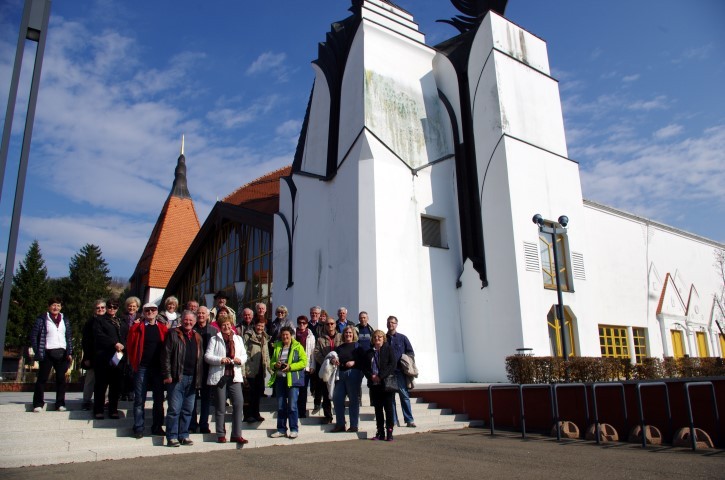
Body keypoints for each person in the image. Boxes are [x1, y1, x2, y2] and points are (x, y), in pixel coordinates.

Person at [205, 313, 248, 444]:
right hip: (221, 377)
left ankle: (236, 434)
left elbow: (244, 355)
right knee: (220, 406)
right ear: (219, 326)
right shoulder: (214, 339)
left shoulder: (238, 339)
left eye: (228, 325)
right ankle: (220, 434)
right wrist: (220, 360)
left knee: (238, 403)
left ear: (232, 325)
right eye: (223, 325)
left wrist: (239, 360)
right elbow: (207, 356)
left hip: (234, 375)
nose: (226, 327)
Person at [127, 303, 168, 439]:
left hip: (157, 369)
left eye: (153, 310)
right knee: (139, 398)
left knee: (158, 399)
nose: (150, 312)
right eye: (147, 310)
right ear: (143, 312)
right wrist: (134, 364)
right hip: (142, 367)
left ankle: (157, 426)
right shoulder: (136, 328)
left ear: (157, 312)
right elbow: (131, 347)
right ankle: (138, 427)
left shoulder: (162, 329)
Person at [162, 310, 203, 447]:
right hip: (177, 377)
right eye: (186, 320)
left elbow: (200, 359)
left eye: (191, 320)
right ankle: (172, 436)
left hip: (192, 378)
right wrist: (167, 375)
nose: (188, 322)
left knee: (188, 409)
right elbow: (166, 356)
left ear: (195, 322)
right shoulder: (173, 334)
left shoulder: (197, 336)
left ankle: (183, 435)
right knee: (174, 409)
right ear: (182, 320)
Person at [29, 297, 73, 412]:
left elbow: (68, 337)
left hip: (62, 353)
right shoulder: (42, 319)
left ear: (61, 307)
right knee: (42, 379)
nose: (56, 307)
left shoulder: (65, 319)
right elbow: (34, 336)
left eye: (58, 305)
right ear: (49, 306)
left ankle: (60, 404)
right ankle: (38, 404)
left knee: (61, 379)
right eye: (53, 305)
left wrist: (69, 352)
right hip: (47, 352)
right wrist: (38, 350)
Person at [268, 326, 307, 439]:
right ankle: (281, 429)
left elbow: (303, 362)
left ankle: (294, 429)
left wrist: (290, 367)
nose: (285, 337)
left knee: (292, 406)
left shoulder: (298, 347)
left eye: (287, 335)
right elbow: (272, 362)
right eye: (283, 335)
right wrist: (275, 365)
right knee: (280, 406)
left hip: (292, 379)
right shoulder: (277, 346)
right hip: (280, 379)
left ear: (291, 336)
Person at [93, 298, 128, 419]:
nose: (112, 309)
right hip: (104, 356)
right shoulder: (100, 320)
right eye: (110, 307)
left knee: (115, 385)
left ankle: (113, 409)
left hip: (118, 357)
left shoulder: (121, 321)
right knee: (101, 384)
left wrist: (124, 345)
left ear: (118, 308)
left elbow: (126, 336)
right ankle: (98, 409)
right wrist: (114, 343)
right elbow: (99, 335)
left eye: (115, 307)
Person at [362, 330, 396, 441]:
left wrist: (380, 376)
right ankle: (380, 431)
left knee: (388, 408)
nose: (377, 339)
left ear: (384, 338)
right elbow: (365, 368)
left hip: (385, 384)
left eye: (380, 337)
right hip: (374, 384)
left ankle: (389, 431)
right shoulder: (369, 352)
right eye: (375, 337)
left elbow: (392, 364)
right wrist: (371, 376)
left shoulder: (388, 349)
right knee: (378, 409)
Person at [330, 326, 363, 432]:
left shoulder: (358, 346)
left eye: (350, 333)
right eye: (346, 333)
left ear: (353, 334)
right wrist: (334, 360)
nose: (348, 334)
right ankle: (340, 424)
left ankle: (354, 425)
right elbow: (333, 358)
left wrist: (354, 362)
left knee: (353, 399)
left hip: (353, 373)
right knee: (337, 398)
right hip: (341, 374)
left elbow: (364, 360)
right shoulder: (340, 347)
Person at [190, 306, 216, 434]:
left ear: (207, 316)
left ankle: (204, 424)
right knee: (192, 397)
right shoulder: (191, 329)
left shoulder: (214, 331)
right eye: (198, 313)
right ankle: (192, 424)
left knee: (206, 398)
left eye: (203, 313)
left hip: (207, 368)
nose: (200, 315)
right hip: (193, 368)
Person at [387, 315, 416, 428]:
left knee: (404, 396)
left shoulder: (402, 338)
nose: (391, 324)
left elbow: (410, 352)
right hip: (389, 373)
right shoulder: (383, 338)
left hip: (399, 372)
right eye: (389, 322)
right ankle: (393, 421)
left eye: (393, 323)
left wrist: (405, 361)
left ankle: (409, 420)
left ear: (396, 324)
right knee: (391, 398)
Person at [313, 318, 341, 424]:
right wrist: (328, 361)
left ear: (335, 325)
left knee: (338, 394)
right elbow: (316, 353)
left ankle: (339, 416)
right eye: (327, 324)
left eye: (332, 323)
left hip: (338, 369)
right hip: (326, 369)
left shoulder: (341, 337)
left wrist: (338, 360)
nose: (330, 325)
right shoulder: (320, 339)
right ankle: (328, 416)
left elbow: (343, 350)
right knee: (325, 394)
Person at [242, 319, 269, 423]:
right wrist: (243, 371)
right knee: (249, 394)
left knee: (257, 393)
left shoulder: (264, 337)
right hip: (250, 369)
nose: (260, 328)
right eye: (258, 326)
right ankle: (248, 415)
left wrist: (270, 369)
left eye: (262, 326)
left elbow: (266, 354)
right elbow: (243, 352)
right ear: (254, 325)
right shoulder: (248, 336)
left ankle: (256, 413)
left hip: (260, 369)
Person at [81, 300, 105, 410]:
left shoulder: (109, 321)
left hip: (105, 356)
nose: (100, 310)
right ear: (94, 310)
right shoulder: (89, 323)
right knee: (90, 379)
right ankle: (86, 401)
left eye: (102, 307)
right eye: (98, 308)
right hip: (93, 355)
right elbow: (85, 341)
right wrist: (86, 357)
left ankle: (103, 401)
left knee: (105, 380)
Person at [120, 296, 141, 401]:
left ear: (137, 308)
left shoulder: (141, 319)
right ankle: (123, 392)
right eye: (129, 306)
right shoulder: (122, 318)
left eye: (134, 306)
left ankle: (131, 392)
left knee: (133, 370)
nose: (131, 308)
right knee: (123, 370)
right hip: (124, 347)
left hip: (136, 347)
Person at [295, 315, 316, 418]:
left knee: (303, 390)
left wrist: (312, 365)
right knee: (294, 390)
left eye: (304, 323)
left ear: (307, 324)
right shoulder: (293, 334)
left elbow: (312, 352)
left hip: (306, 366)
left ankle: (302, 412)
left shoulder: (310, 336)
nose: (301, 325)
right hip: (294, 366)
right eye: (299, 323)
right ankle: (294, 410)